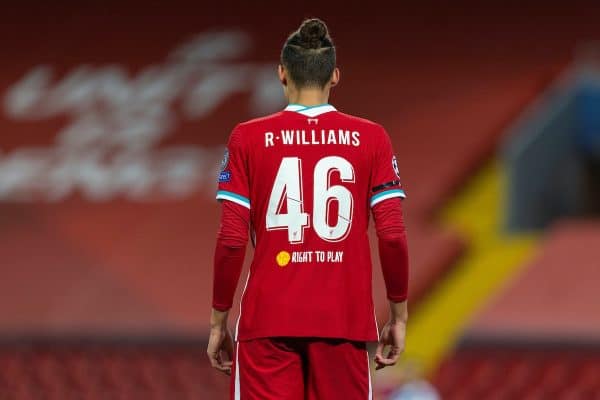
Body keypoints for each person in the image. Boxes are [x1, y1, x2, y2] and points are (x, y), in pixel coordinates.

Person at [207, 18, 410, 399]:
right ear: (335, 76)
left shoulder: (247, 137)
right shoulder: (372, 138)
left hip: (267, 321)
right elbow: (393, 234)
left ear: (281, 74)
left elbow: (232, 240)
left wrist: (219, 321)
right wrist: (398, 314)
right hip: (345, 320)